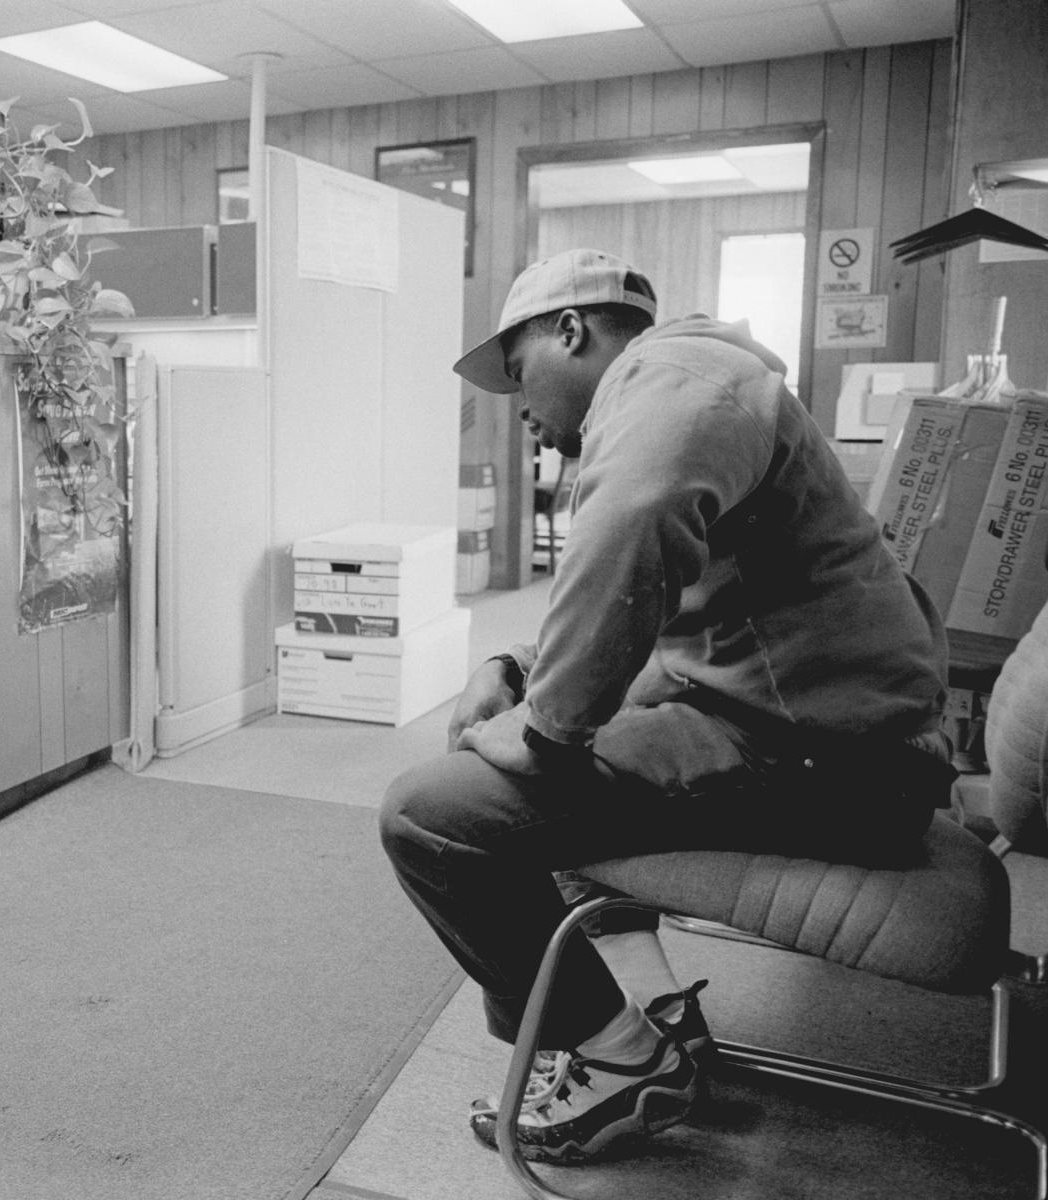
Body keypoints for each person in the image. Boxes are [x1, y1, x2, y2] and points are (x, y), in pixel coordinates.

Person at [379, 248, 954, 1165]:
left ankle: (619, 1059)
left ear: (570, 331)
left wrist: (540, 730)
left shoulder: (674, 375)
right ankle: (634, 1022)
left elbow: (634, 525)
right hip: (821, 732)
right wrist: (516, 664)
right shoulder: (689, 385)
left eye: (519, 373)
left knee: (432, 815)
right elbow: (654, 602)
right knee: (544, 779)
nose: (519, 406)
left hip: (838, 764)